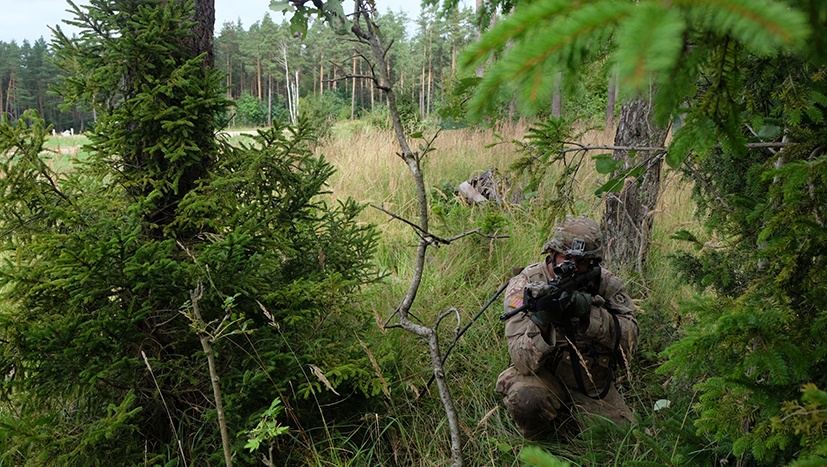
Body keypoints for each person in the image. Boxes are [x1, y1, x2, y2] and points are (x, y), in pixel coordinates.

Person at [496, 216, 638, 438]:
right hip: (543, 376)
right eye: (566, 257)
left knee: (623, 440)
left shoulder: (606, 283)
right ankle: (544, 442)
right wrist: (543, 325)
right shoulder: (526, 286)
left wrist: (589, 316)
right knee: (528, 401)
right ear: (552, 253)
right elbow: (521, 361)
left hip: (592, 382)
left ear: (593, 263)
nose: (572, 266)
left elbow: (630, 341)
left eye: (581, 262)